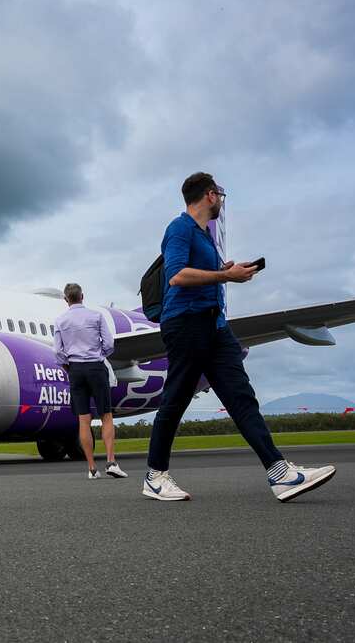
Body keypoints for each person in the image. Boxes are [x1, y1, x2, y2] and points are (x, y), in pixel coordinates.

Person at [143, 172, 335, 502]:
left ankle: (281, 474)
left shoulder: (204, 237)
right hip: (186, 325)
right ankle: (155, 476)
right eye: (220, 194)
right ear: (210, 196)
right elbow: (175, 276)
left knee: (241, 397)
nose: (220, 199)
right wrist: (225, 275)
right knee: (175, 400)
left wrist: (225, 271)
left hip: (216, 328)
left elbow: (203, 276)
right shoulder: (180, 228)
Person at [53, 283, 125, 479]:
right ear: (82, 296)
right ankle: (111, 462)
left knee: (83, 420)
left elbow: (58, 352)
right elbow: (109, 344)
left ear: (66, 299)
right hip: (95, 366)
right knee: (106, 416)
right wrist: (99, 355)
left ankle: (92, 469)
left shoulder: (60, 321)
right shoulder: (96, 316)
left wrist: (69, 366)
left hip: (75, 370)